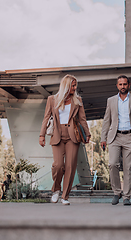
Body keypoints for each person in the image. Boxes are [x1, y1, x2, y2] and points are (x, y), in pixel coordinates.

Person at [39, 74, 91, 205]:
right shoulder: (52, 99)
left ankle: (65, 196)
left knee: (70, 166)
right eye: (73, 85)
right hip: (57, 135)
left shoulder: (77, 100)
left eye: (75, 85)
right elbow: (46, 117)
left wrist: (87, 134)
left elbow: (82, 119)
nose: (75, 88)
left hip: (73, 136)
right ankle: (56, 189)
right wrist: (42, 135)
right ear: (66, 86)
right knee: (58, 165)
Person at [101, 75, 131, 206]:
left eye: (125, 84)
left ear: (129, 85)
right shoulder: (110, 101)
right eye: (120, 84)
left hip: (129, 137)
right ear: (117, 86)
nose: (123, 86)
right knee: (112, 164)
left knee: (128, 168)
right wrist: (103, 138)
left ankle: (126, 196)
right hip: (114, 137)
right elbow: (106, 120)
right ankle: (117, 192)